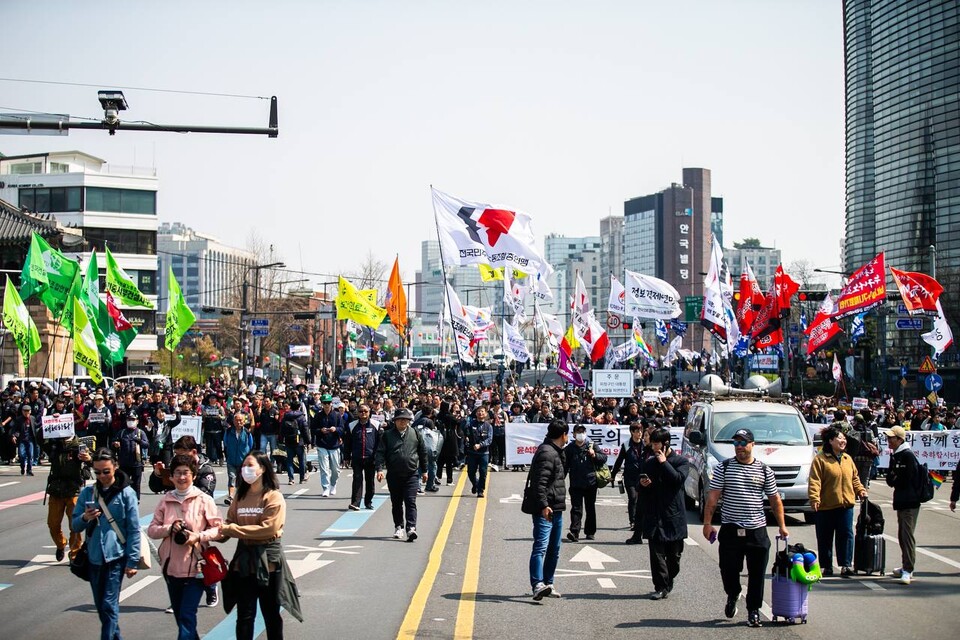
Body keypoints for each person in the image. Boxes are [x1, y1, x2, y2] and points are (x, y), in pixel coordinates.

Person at [702, 428, 788, 628]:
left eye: (743, 443)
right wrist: (707, 524)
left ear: (752, 445)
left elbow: (775, 501)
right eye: (736, 443)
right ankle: (733, 593)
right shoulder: (724, 468)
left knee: (757, 574)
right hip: (731, 529)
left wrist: (782, 526)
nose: (739, 447)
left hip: (756, 530)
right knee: (728, 569)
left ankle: (753, 611)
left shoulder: (764, 470)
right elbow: (713, 498)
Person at [218, 451, 302, 640]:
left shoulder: (273, 497)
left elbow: (268, 529)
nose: (245, 470)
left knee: (271, 615)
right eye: (243, 466)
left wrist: (233, 529)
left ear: (262, 468)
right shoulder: (240, 496)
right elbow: (229, 523)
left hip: (268, 563)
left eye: (250, 465)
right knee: (245, 616)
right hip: (244, 563)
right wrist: (211, 532)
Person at [147, 454, 223, 640]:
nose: (182, 477)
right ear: (171, 476)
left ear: (194, 475)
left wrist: (199, 536)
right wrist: (169, 529)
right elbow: (152, 530)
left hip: (196, 569)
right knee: (183, 619)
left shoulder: (204, 500)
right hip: (171, 569)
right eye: (177, 473)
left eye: (186, 473)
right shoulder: (166, 500)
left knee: (187, 617)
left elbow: (220, 530)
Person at [71, 449, 141, 640]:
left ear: (115, 467)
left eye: (106, 471)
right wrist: (85, 517)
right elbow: (74, 524)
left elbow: (134, 529)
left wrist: (132, 561)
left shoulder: (127, 494)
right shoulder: (87, 492)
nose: (102, 476)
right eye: (98, 472)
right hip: (94, 557)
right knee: (102, 607)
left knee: (109, 605)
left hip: (116, 557)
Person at [808, 426, 868, 577]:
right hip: (826, 506)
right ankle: (826, 566)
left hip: (846, 505)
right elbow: (815, 481)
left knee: (846, 535)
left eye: (844, 439)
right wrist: (814, 498)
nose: (843, 441)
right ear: (830, 441)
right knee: (825, 537)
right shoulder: (820, 460)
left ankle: (846, 565)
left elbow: (855, 478)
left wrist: (860, 490)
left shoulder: (847, 459)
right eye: (839, 438)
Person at [639, 427, 690, 599]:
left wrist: (664, 462)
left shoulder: (681, 462)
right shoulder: (649, 462)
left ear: (666, 443)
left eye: (657, 444)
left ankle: (668, 580)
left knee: (674, 557)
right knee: (656, 553)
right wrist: (644, 484)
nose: (653, 448)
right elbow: (642, 486)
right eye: (652, 444)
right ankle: (660, 586)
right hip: (655, 514)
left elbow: (677, 480)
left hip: (673, 516)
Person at [526, 419, 569, 601]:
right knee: (541, 547)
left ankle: (548, 583)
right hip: (546, 507)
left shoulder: (557, 452)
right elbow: (539, 483)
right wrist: (544, 505)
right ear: (563, 435)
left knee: (554, 548)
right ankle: (537, 584)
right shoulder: (546, 453)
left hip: (556, 506)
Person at [375, 408, 428, 541]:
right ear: (395, 421)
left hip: (411, 474)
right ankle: (399, 527)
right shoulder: (387, 435)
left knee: (411, 501)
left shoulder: (415, 433)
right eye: (400, 419)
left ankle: (411, 528)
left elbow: (422, 452)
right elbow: (380, 453)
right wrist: (379, 469)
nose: (403, 421)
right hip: (394, 474)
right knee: (396, 503)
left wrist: (425, 470)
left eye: (405, 419)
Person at [44, 430, 91, 562]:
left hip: (73, 490)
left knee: (75, 525)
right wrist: (47, 425)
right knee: (52, 523)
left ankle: (75, 553)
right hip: (56, 490)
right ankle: (60, 544)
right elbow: (40, 438)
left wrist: (89, 459)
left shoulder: (79, 445)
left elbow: (94, 460)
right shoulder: (54, 444)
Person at [884, 425, 921, 585]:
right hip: (900, 500)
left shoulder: (907, 455)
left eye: (891, 438)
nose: (888, 441)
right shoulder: (896, 455)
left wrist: (895, 477)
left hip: (910, 501)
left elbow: (905, 479)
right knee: (902, 535)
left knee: (907, 536)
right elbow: (890, 479)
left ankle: (908, 569)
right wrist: (895, 477)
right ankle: (905, 565)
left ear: (899, 439)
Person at [564, 424, 607, 542]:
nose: (580, 434)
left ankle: (590, 531)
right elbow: (565, 466)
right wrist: (560, 479)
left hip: (591, 482)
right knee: (576, 508)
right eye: (578, 432)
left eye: (582, 432)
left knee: (590, 507)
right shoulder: (569, 449)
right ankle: (574, 532)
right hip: (576, 483)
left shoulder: (591, 445)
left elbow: (604, 458)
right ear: (573, 434)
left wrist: (594, 455)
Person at [611, 421, 647, 544]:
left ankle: (640, 522)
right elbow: (619, 461)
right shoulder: (626, 445)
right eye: (637, 431)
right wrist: (613, 475)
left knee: (642, 500)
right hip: (630, 477)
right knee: (633, 498)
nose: (640, 433)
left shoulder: (645, 445)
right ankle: (632, 521)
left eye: (641, 431)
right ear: (632, 432)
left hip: (642, 476)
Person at [348, 404, 381, 511]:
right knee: (357, 479)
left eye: (365, 411)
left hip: (370, 458)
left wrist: (379, 460)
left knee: (370, 481)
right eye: (361, 411)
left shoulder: (376, 425)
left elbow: (379, 443)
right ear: (357, 412)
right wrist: (346, 456)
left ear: (369, 412)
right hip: (357, 458)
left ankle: (368, 502)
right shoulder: (352, 425)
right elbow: (347, 443)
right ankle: (355, 503)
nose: (363, 413)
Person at [111, 413, 150, 501]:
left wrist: (139, 441)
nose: (131, 421)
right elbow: (113, 443)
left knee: (136, 483)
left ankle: (136, 500)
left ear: (137, 421)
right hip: (124, 463)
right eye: (129, 420)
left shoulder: (140, 432)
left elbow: (146, 444)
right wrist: (115, 444)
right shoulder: (122, 432)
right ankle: (125, 499)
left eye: (133, 420)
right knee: (124, 483)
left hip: (137, 463)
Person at [312, 394, 343, 497]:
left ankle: (333, 485)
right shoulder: (318, 415)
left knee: (335, 469)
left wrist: (336, 429)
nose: (327, 405)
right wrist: (320, 430)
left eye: (328, 403)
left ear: (331, 404)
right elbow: (313, 429)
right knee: (324, 468)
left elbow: (342, 429)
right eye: (325, 403)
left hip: (334, 445)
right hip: (322, 445)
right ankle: (325, 487)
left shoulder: (337, 415)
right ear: (322, 404)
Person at [224, 413, 254, 505]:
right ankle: (231, 497)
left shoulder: (247, 433)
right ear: (233, 421)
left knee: (242, 481)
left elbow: (251, 445)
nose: (238, 422)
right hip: (231, 460)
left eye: (241, 420)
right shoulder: (228, 432)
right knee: (232, 478)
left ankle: (242, 498)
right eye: (236, 420)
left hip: (243, 461)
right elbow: (225, 444)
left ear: (244, 421)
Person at [279, 399, 310, 485]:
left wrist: (281, 439)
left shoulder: (286, 416)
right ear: (299, 407)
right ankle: (302, 477)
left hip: (288, 440)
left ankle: (291, 479)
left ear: (290, 407)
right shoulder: (301, 417)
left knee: (289, 460)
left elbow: (282, 429)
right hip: (299, 441)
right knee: (301, 460)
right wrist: (308, 441)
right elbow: (305, 430)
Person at [465, 406, 493, 497]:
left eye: (482, 411)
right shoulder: (470, 424)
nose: (480, 413)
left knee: (483, 472)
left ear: (485, 414)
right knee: (471, 472)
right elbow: (465, 432)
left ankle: (480, 490)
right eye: (478, 411)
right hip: (472, 453)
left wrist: (480, 445)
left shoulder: (488, 426)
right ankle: (476, 484)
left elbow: (489, 439)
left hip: (484, 453)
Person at [12, 403, 37, 476]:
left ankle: (29, 470)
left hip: (30, 440)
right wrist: (14, 436)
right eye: (25, 411)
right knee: (21, 455)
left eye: (28, 411)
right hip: (22, 440)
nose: (26, 413)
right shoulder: (19, 419)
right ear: (22, 411)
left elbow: (36, 426)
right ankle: (22, 467)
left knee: (30, 455)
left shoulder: (32, 418)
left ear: (30, 411)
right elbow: (15, 429)